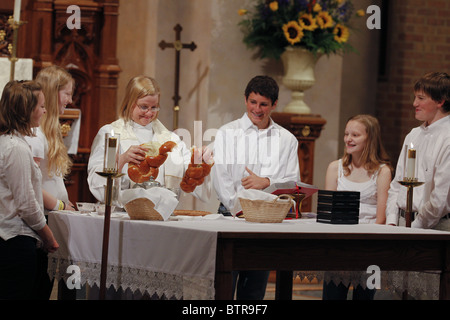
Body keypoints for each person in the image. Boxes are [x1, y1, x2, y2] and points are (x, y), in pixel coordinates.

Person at [212, 75, 300, 300]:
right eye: (253, 102)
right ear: (245, 100)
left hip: (267, 222)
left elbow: (293, 183)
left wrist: (268, 182)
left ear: (274, 104)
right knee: (223, 289)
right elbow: (221, 179)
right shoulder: (226, 133)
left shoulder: (287, 140)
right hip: (231, 217)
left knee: (253, 293)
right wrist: (240, 208)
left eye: (263, 104)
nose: (257, 109)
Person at [88, 75, 210, 205]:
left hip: (161, 214)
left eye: (154, 107)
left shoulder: (171, 139)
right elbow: (95, 178)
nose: (149, 113)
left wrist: (200, 161)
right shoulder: (110, 133)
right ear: (129, 103)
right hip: (122, 213)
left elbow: (191, 176)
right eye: (144, 107)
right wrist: (122, 159)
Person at [322, 114, 393, 300]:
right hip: (339, 245)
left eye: (355, 135)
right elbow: (328, 212)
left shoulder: (383, 171)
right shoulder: (334, 168)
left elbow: (381, 218)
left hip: (369, 247)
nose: (348, 139)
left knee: (365, 297)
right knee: (332, 296)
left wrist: (367, 247)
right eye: (346, 134)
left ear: (370, 138)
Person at [0, 80, 59, 299]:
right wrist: (48, 236)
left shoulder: (9, 142)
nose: (45, 111)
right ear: (27, 110)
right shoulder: (15, 148)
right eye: (41, 106)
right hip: (14, 241)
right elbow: (26, 204)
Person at [386, 72, 450, 230]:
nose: (414, 103)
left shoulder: (447, 138)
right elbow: (397, 183)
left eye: (421, 98)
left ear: (440, 101)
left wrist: (416, 226)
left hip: (433, 226)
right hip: (401, 222)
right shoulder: (413, 134)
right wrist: (392, 220)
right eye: (415, 97)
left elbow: (440, 196)